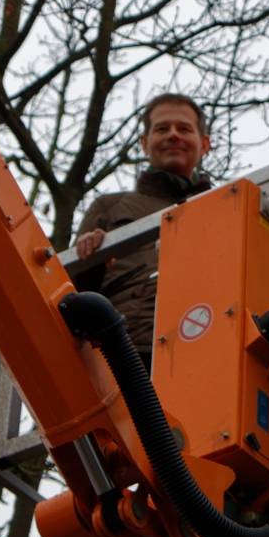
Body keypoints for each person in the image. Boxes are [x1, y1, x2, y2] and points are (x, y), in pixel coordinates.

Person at [74, 93, 212, 366]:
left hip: (204, 352)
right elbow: (73, 294)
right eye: (162, 128)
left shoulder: (225, 212)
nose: (173, 135)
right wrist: (88, 254)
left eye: (184, 128)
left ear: (204, 144)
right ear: (144, 144)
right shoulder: (110, 207)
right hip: (123, 354)